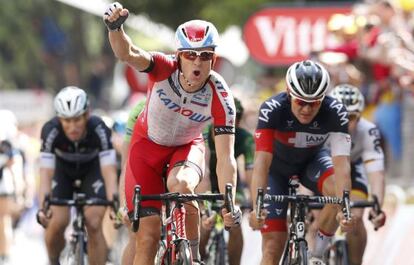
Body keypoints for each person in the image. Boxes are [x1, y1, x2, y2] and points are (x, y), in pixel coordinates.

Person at [103, 2, 241, 265]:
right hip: (147, 147)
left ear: (214, 58)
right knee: (147, 237)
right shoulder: (163, 67)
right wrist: (115, 29)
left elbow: (226, 157)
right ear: (179, 56)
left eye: (205, 55)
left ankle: (193, 255)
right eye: (190, 55)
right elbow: (128, 53)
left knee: (183, 185)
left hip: (187, 147)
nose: (197, 62)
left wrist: (229, 201)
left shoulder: (220, 95)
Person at [248, 60, 354, 265]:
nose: (306, 109)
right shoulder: (272, 108)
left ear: (323, 99)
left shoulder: (336, 112)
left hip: (312, 162)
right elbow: (261, 162)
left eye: (314, 103)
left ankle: (317, 254)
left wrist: (345, 210)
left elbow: (342, 166)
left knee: (337, 195)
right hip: (276, 169)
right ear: (288, 93)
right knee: (272, 247)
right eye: (300, 102)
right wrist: (256, 208)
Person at [36, 86, 118, 265]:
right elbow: (45, 173)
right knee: (57, 222)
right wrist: (43, 207)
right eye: (66, 121)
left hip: (92, 172)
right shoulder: (50, 130)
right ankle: (53, 259)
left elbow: (109, 170)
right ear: (59, 118)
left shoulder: (99, 128)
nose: (72, 127)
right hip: (62, 173)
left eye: (77, 120)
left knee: (94, 223)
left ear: (87, 114)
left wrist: (114, 202)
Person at [330, 84, 386, 265]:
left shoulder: (368, 131)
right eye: (339, 116)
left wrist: (377, 207)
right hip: (324, 170)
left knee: (354, 218)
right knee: (315, 216)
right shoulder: (318, 127)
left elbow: (376, 173)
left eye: (351, 117)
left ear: (360, 117)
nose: (344, 122)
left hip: (353, 169)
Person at [199, 97, 254, 265]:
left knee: (235, 224)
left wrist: (253, 203)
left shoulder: (245, 138)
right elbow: (204, 171)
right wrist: (203, 204)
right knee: (205, 224)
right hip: (205, 181)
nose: (231, 122)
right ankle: (197, 258)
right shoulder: (204, 133)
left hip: (230, 184)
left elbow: (251, 173)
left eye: (236, 119)